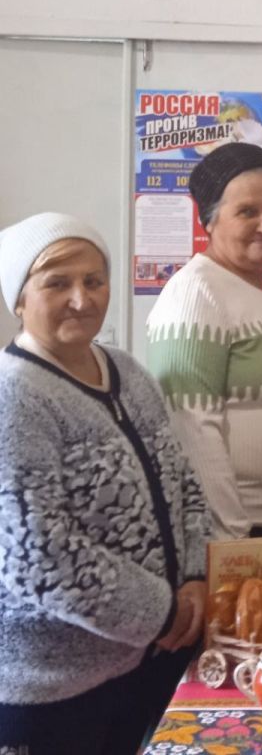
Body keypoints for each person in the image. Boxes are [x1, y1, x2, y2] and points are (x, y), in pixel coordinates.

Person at [0, 213, 208, 755]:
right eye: (57, 283)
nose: (81, 299)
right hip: (54, 691)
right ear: (18, 299)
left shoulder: (127, 371)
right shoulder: (13, 396)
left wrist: (194, 576)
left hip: (147, 663)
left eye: (93, 280)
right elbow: (38, 556)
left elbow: (183, 479)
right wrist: (162, 613)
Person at [146, 143, 262, 540]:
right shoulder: (195, 293)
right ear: (209, 219)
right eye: (248, 212)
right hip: (237, 531)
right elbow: (193, 429)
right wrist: (230, 536)